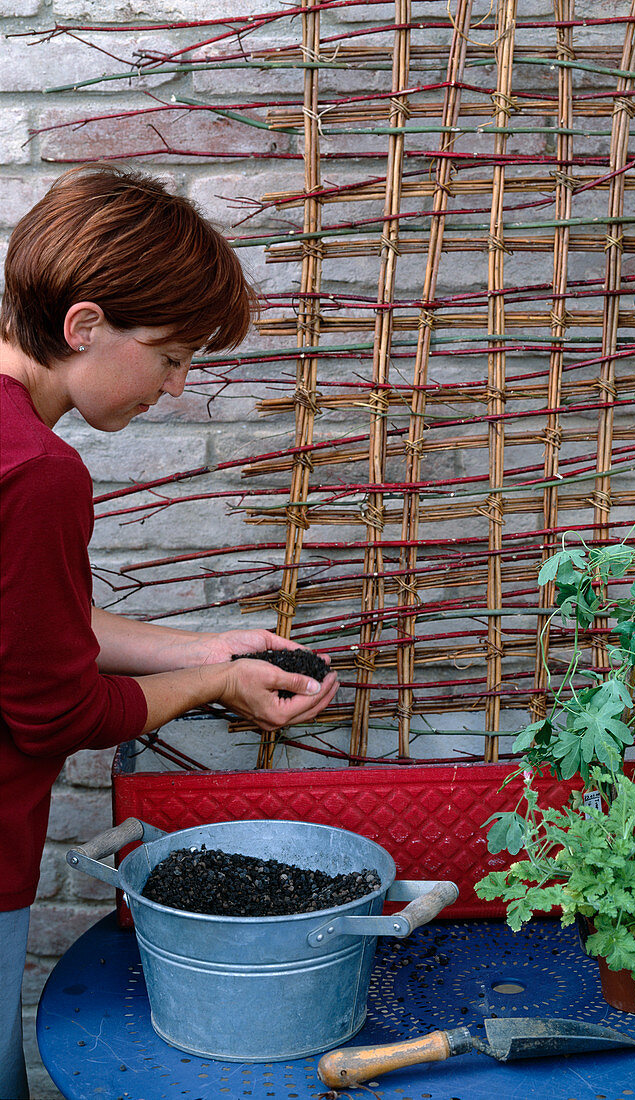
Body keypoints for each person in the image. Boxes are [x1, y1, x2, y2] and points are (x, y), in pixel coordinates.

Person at [0, 165, 339, 1098]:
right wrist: (219, 686)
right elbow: (53, 708)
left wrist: (203, 647)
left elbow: (27, 626)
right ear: (83, 326)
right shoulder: (38, 471)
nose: (181, 386)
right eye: (170, 354)